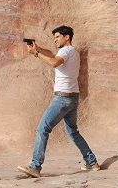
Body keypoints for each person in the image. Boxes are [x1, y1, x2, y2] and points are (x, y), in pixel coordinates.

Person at [17, 25, 99, 178]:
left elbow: (54, 62)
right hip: (73, 98)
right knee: (73, 133)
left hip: (62, 99)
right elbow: (53, 56)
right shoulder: (71, 52)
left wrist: (35, 54)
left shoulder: (66, 51)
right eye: (54, 37)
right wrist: (39, 49)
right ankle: (91, 162)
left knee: (42, 129)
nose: (55, 39)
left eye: (57, 37)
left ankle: (35, 166)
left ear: (66, 37)